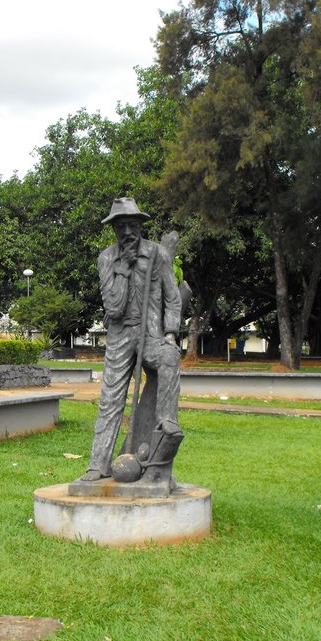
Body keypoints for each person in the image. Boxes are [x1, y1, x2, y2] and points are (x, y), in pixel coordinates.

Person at [78, 197, 183, 484]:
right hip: (120, 335)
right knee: (110, 399)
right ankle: (98, 464)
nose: (127, 232)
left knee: (169, 358)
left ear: (140, 225)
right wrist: (123, 269)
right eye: (121, 226)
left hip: (151, 335)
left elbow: (173, 298)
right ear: (114, 229)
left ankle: (166, 423)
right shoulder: (106, 259)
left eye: (132, 225)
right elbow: (113, 308)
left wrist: (171, 334)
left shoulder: (157, 254)